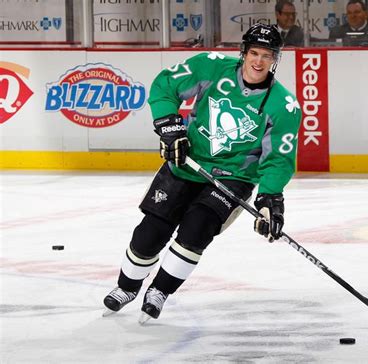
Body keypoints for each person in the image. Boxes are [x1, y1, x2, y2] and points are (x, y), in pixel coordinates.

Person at [102, 23, 302, 324]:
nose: (259, 62)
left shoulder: (284, 106)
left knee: (196, 230)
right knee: (150, 233)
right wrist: (170, 128)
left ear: (275, 59)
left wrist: (269, 198)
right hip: (187, 162)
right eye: (254, 53)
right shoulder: (210, 67)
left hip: (234, 176)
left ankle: (160, 291)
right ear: (244, 53)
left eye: (267, 55)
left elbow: (278, 159)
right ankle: (127, 287)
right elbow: (164, 86)